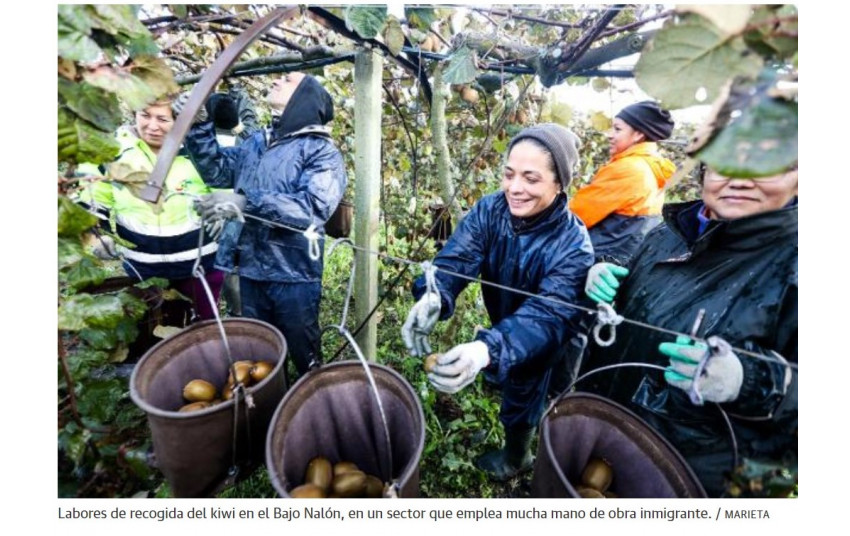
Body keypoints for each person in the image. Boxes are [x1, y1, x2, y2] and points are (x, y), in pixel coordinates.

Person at [581, 162, 798, 497]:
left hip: (697, 477)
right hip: (607, 427)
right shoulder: (668, 232)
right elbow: (660, 297)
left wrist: (747, 380)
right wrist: (614, 274)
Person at [402, 124, 594, 481]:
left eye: (531, 179)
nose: (515, 188)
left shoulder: (573, 245)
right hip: (507, 319)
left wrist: (486, 349)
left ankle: (517, 457)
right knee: (514, 377)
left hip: (554, 338)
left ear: (559, 184)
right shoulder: (491, 210)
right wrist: (433, 294)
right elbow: (457, 259)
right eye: (509, 174)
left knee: (532, 389)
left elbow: (547, 317)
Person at [177, 72, 347, 377]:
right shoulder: (257, 142)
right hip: (252, 268)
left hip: (293, 272)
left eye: (288, 80)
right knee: (260, 353)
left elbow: (311, 209)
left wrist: (246, 202)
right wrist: (200, 126)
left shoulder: (322, 152)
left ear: (304, 97)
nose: (277, 81)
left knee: (302, 349)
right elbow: (217, 170)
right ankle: (271, 406)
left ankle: (312, 400)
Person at [76, 98, 225, 321]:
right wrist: (94, 237)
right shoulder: (113, 152)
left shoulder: (199, 150)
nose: (152, 126)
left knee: (207, 327)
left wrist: (223, 209)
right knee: (159, 331)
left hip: (200, 265)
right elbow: (92, 198)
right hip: (143, 269)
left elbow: (223, 183)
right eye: (144, 115)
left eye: (163, 119)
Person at [569, 100, 676, 265]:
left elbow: (573, 218)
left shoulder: (627, 169)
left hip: (592, 263)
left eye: (617, 129)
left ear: (638, 135)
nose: (610, 134)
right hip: (623, 262)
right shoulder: (653, 168)